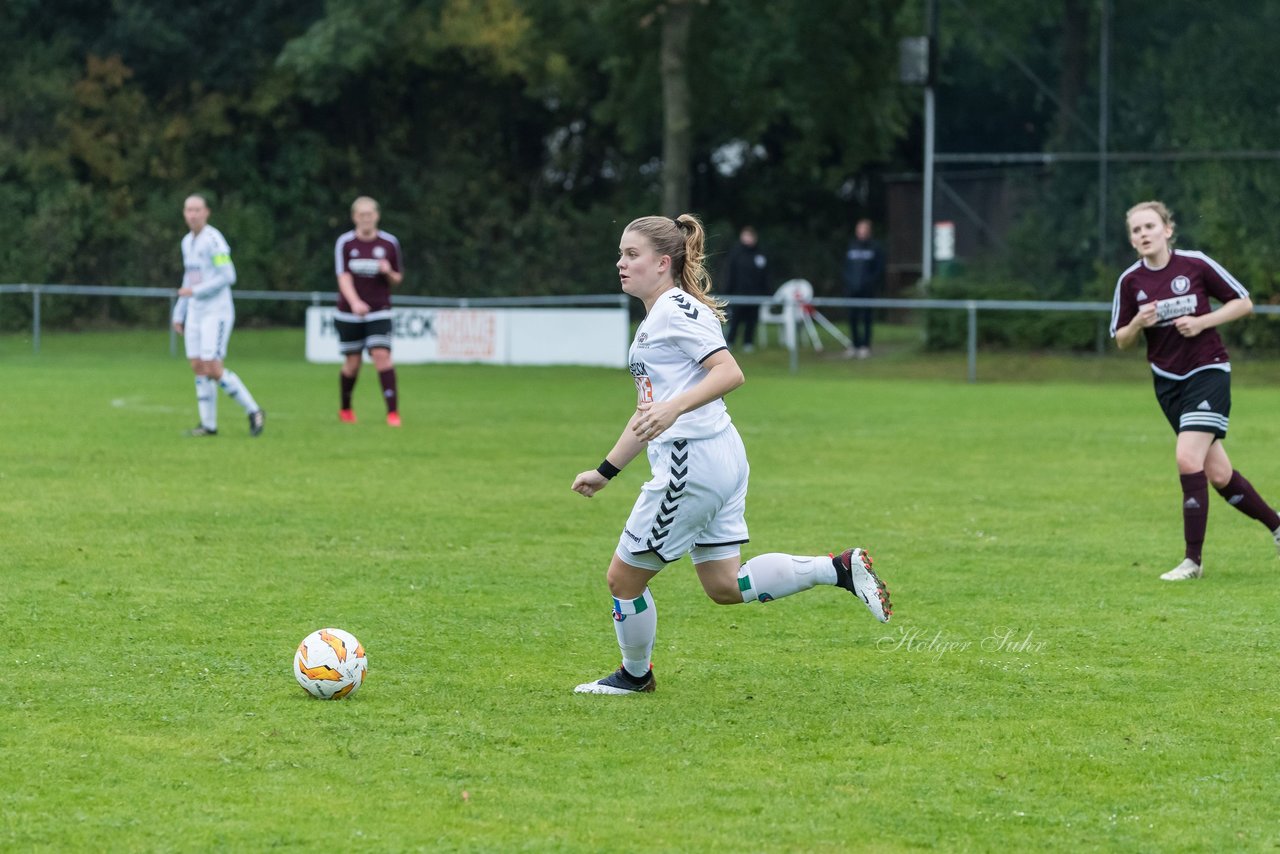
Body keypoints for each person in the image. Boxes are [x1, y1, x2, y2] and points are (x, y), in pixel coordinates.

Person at [570, 213, 892, 696]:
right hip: (719, 454)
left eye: (631, 254)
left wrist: (674, 409)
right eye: (620, 254)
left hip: (691, 463)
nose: (620, 263)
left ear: (662, 263)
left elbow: (729, 372)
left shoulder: (674, 310)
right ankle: (838, 568)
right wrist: (606, 470)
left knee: (623, 580)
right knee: (723, 585)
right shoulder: (664, 312)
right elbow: (649, 414)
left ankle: (635, 676)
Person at [1110, 200, 1280, 581]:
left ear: (1167, 230)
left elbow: (1244, 303)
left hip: (1208, 370)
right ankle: (1277, 526)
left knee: (1188, 458)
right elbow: (1121, 340)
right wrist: (1138, 321)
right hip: (1167, 384)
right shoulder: (1130, 282)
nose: (1143, 234)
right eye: (1136, 230)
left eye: (1150, 226)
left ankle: (1193, 562)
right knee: (1218, 474)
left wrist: (1202, 322)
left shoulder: (1195, 264)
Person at [171, 194, 265, 438]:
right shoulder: (186, 242)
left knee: (213, 366)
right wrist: (179, 310)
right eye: (188, 210)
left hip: (216, 311)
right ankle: (208, 425)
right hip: (195, 311)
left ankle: (254, 410)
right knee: (198, 366)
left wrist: (196, 292)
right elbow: (188, 278)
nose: (192, 214)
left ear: (206, 213)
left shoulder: (214, 241)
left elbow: (228, 276)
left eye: (197, 210)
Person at [334, 196, 404, 426]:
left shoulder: (389, 243)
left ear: (377, 215)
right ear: (355, 217)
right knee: (352, 363)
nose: (366, 219)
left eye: (370, 214)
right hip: (349, 312)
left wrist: (388, 272)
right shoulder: (345, 243)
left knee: (381, 356)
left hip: (380, 310)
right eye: (361, 215)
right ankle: (345, 408)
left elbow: (397, 278)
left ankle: (392, 413)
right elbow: (343, 278)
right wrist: (355, 302)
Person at [721, 225, 769, 352]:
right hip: (738, 293)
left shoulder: (760, 254)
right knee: (735, 319)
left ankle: (748, 343)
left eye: (750, 236)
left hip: (755, 294)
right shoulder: (736, 253)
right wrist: (727, 291)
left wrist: (766, 292)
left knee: (752, 320)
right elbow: (730, 274)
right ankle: (730, 341)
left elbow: (765, 275)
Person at [842, 218, 885, 359]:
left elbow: (879, 269)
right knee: (852, 317)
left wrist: (870, 283)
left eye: (864, 229)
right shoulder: (852, 246)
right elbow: (846, 268)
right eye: (859, 229)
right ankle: (854, 345)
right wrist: (849, 282)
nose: (861, 232)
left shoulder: (875, 247)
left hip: (867, 290)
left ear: (869, 231)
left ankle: (865, 346)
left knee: (866, 317)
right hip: (852, 289)